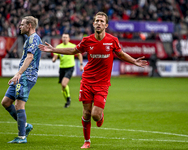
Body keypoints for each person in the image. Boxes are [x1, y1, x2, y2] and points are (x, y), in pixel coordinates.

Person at [38, 12, 148, 149]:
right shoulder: (87, 40)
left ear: (106, 25)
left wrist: (134, 61)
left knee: (96, 115)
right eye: (97, 21)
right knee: (86, 112)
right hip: (87, 81)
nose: (99, 23)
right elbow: (74, 50)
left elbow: (120, 54)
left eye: (102, 21)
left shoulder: (112, 40)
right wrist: (54, 49)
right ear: (93, 23)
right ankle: (87, 141)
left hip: (102, 83)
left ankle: (100, 116)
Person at [1, 16, 42, 143]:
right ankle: (25, 126)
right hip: (21, 75)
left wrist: (18, 73)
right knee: (6, 102)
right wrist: (17, 74)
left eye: (22, 24)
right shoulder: (29, 39)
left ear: (29, 25)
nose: (20, 26)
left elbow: (29, 58)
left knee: (19, 105)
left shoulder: (34, 38)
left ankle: (22, 137)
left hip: (27, 76)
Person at [52, 33, 83, 108]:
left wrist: (81, 64)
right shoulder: (59, 47)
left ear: (69, 39)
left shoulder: (72, 46)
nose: (64, 38)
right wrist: (54, 59)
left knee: (64, 84)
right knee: (63, 88)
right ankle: (67, 100)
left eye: (66, 37)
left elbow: (79, 54)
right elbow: (55, 56)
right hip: (62, 68)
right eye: (63, 37)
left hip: (70, 67)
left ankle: (68, 98)